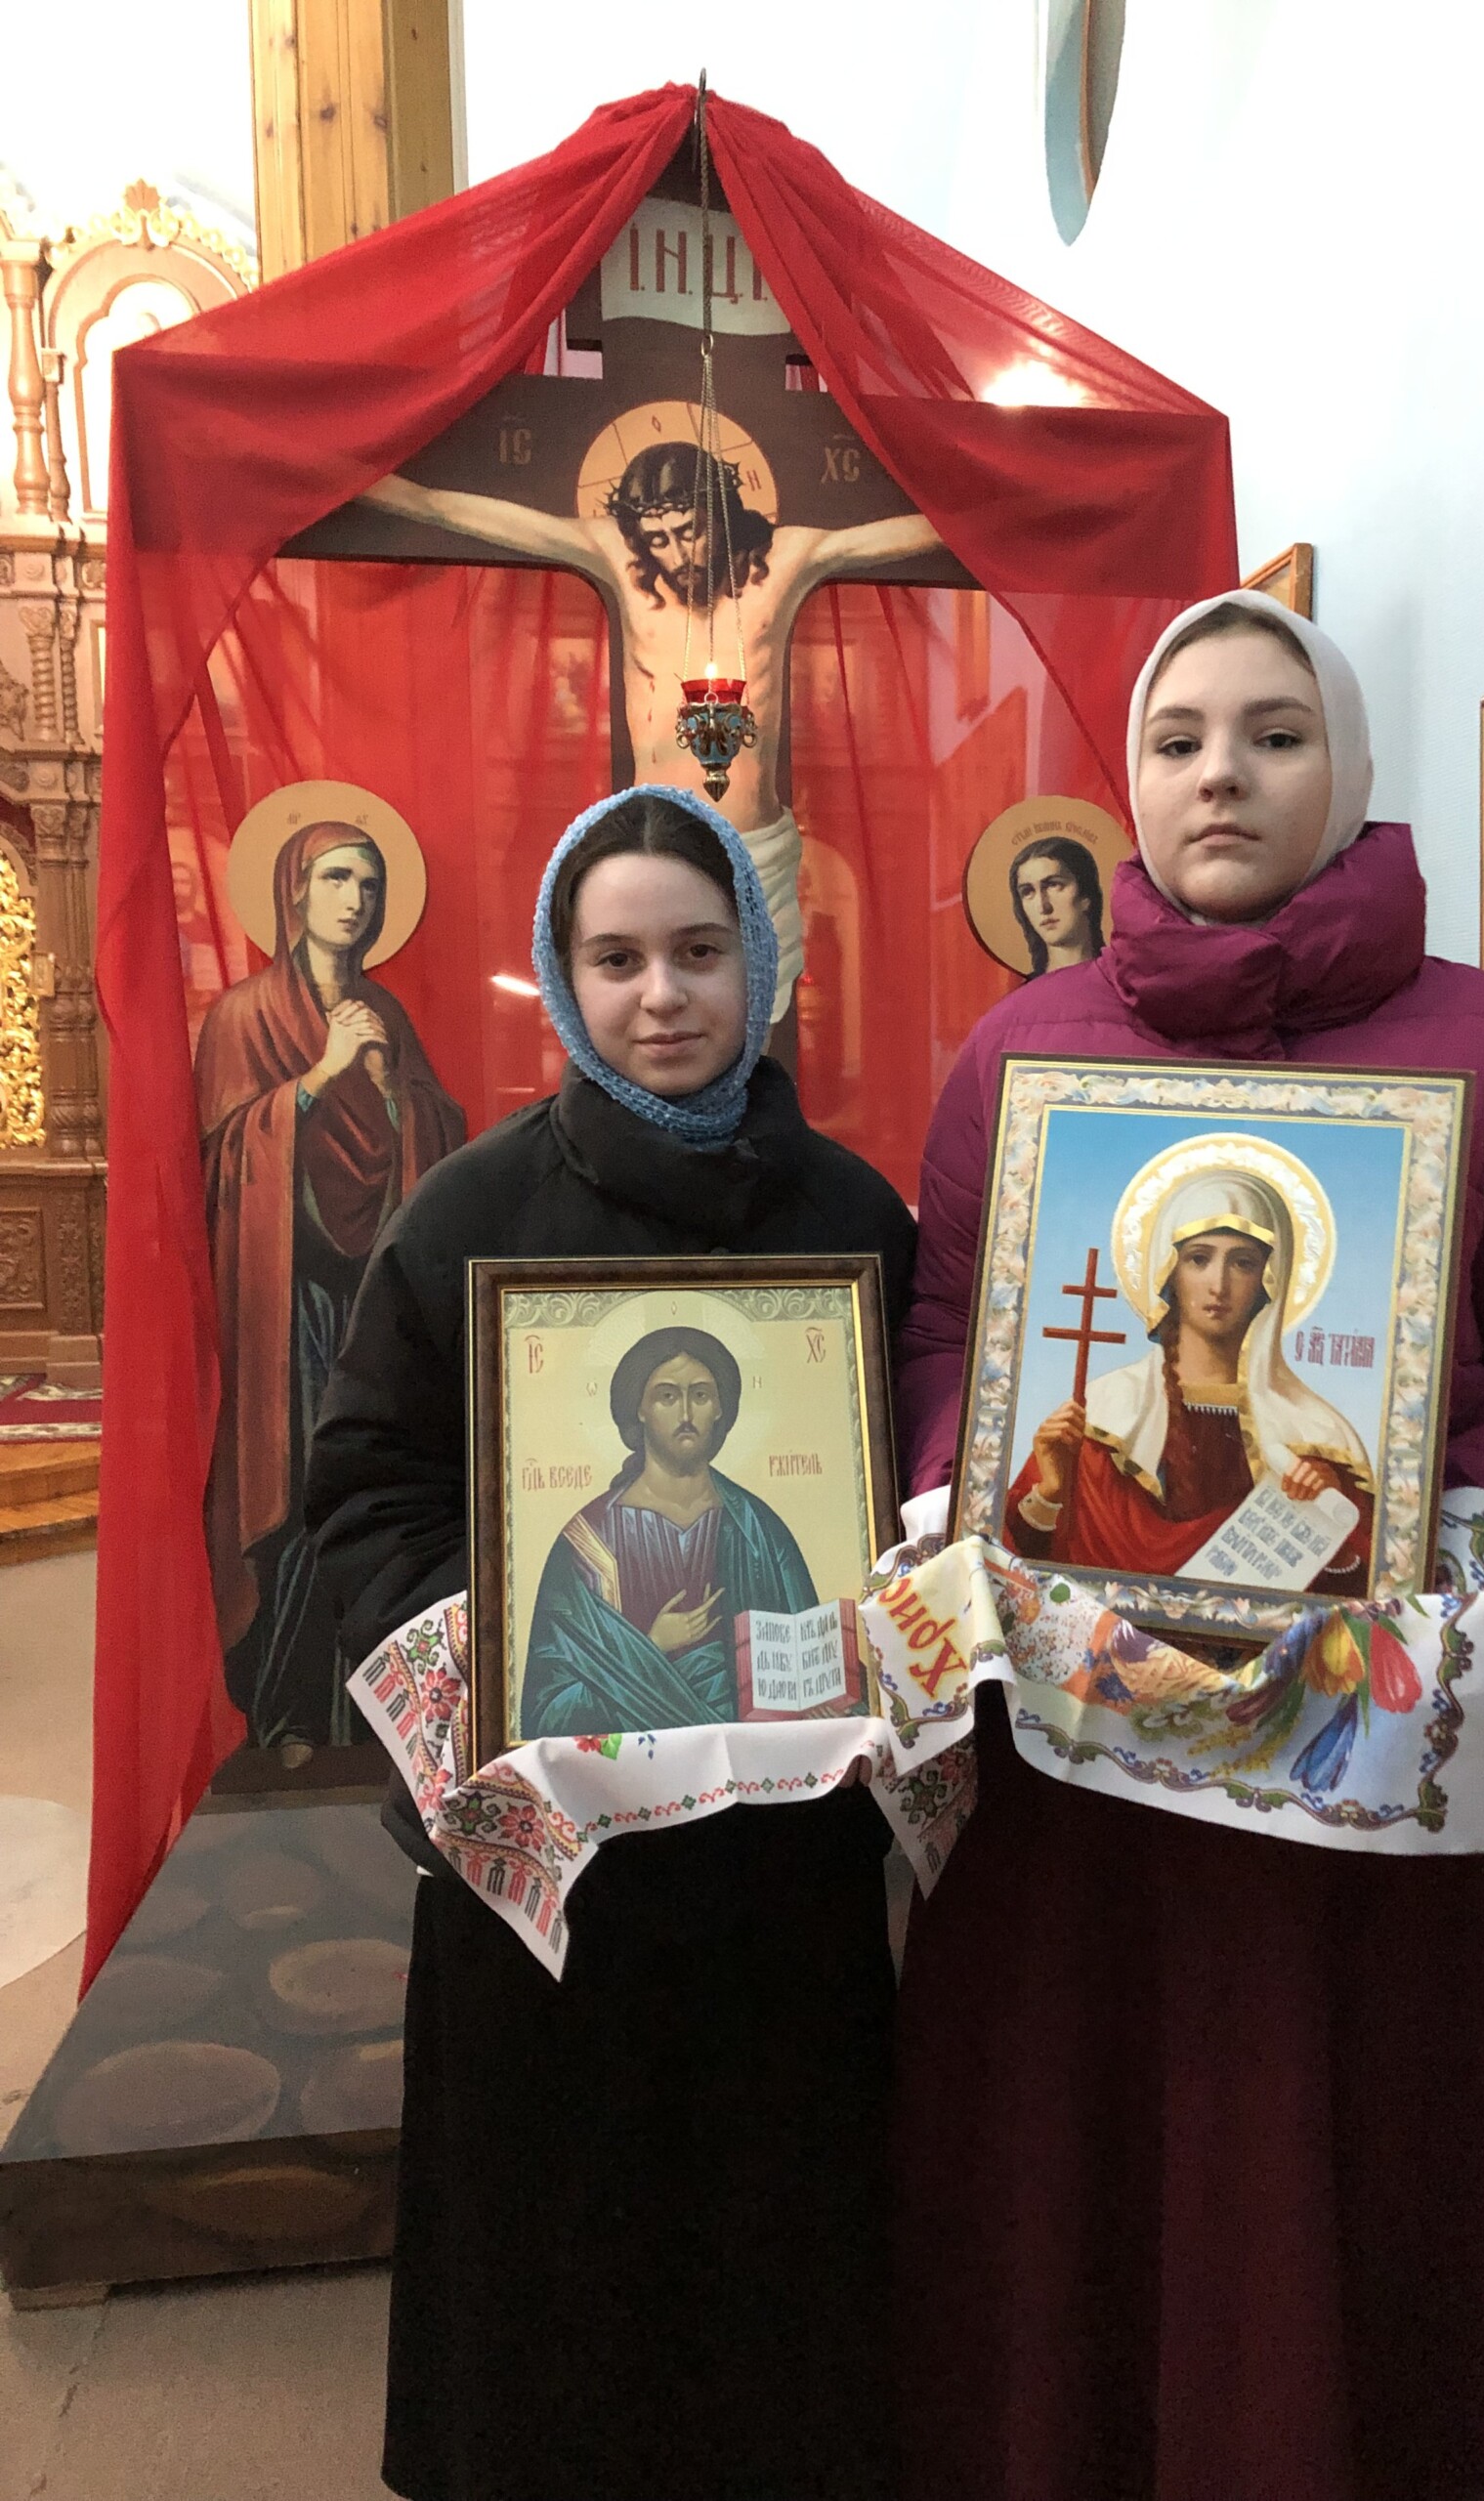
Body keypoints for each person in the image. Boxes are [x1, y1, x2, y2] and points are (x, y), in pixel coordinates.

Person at [893, 590, 1484, 2501]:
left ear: (1347, 764)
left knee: (1360, 2180)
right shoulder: (1022, 1051)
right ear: (1131, 779)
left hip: (1364, 1754)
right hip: (1084, 1758)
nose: (1222, 775)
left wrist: (1451, 1541)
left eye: (1273, 733)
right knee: (1081, 2169)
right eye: (1178, 740)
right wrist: (969, 1500)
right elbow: (945, 1337)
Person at [303, 784, 915, 2501]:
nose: (663, 996)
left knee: (780, 2234)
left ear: (760, 965)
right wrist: (504, 1664)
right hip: (556, 1859)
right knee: (554, 2247)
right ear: (564, 979)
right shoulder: (466, 1214)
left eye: (701, 952)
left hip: (780, 1858)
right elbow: (367, 1490)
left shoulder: (854, 1217)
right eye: (619, 958)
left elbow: (894, 1494)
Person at [360, 439, 941, 1009]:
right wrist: (349, 476)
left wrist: (990, 503)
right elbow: (449, 509)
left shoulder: (786, 558)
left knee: (758, 1009)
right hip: (658, 845)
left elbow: (911, 534)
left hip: (756, 846)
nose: (677, 553)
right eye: (658, 539)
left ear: (721, 514)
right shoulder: (618, 555)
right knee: (653, 1004)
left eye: (691, 531)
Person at [196, 819, 464, 1757]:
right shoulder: (243, 1017)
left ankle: (374, 1715)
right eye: (338, 879)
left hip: (376, 1302)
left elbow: (441, 1139)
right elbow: (225, 1163)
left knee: (376, 1489)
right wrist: (317, 1078)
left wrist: (391, 1090)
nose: (355, 900)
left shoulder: (386, 1013)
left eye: (370, 884)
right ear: (295, 891)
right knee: (301, 1495)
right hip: (291, 1305)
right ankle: (289, 1716)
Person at [1004, 1159, 1373, 1592]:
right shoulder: (1107, 1416)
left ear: (1269, 1280)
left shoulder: (1315, 1435)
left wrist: (1325, 1519)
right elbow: (1018, 1570)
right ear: (1169, 1272)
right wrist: (1050, 1490)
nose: (1219, 1284)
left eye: (1243, 1263)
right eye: (1199, 1259)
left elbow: (1363, 1596)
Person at [521, 1325, 818, 1736]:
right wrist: (650, 1648)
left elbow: (813, 1673)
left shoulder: (759, 1531)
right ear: (639, 1408)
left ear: (720, 1408)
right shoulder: (586, 1542)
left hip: (752, 1758)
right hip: (623, 1769)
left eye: (700, 1395)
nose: (685, 1415)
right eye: (667, 1396)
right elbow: (546, 1714)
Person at [1009, 833, 1105, 973]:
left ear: (1086, 895)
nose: (1043, 907)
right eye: (1028, 892)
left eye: (1054, 885)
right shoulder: (1029, 988)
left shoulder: (1121, 980)